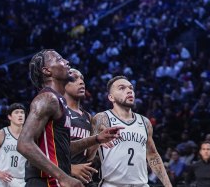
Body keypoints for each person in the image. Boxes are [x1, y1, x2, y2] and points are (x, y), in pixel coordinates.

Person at [17, 49, 122, 187]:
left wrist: (97, 138)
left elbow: (64, 149)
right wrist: (64, 177)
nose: (66, 61)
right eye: (59, 59)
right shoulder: (47, 98)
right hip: (44, 181)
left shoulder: (60, 102)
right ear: (47, 71)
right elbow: (23, 144)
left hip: (54, 180)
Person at [91, 76, 173, 187]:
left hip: (141, 184)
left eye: (131, 88)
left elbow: (152, 155)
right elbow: (88, 153)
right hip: (112, 184)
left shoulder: (145, 122)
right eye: (122, 88)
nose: (129, 91)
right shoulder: (102, 118)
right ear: (111, 97)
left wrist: (168, 185)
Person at [64, 69, 97, 186]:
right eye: (74, 79)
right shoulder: (58, 111)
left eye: (82, 79)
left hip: (83, 177)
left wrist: (98, 141)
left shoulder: (88, 116)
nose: (81, 82)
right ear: (62, 84)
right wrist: (70, 168)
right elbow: (46, 150)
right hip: (62, 175)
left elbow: (89, 155)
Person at [0, 104, 27, 187]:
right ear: (9, 117)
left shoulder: (28, 136)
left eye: (22, 112)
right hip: (0, 180)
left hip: (20, 180)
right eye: (16, 112)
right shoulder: (1, 134)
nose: (20, 115)